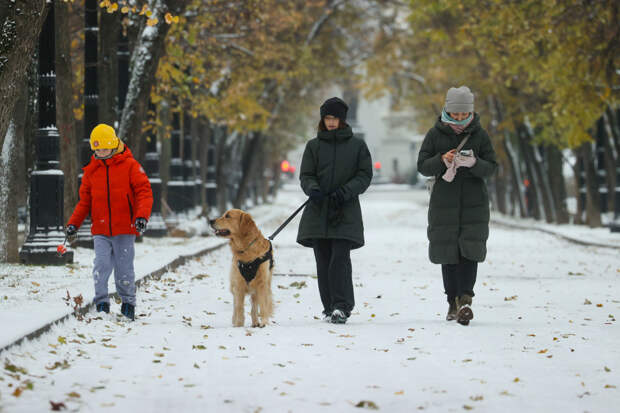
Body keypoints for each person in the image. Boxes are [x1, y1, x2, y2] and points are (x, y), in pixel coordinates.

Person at [417, 86, 498, 326]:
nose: (460, 119)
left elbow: (492, 168)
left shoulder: (480, 136)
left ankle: (466, 300)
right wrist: (441, 160)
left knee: (469, 251)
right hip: (444, 202)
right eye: (455, 114)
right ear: (447, 110)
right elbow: (422, 165)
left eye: (464, 114)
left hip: (474, 203)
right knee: (447, 252)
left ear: (470, 112)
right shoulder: (434, 135)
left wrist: (474, 163)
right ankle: (452, 301)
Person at [296, 97, 373, 324]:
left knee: (339, 259)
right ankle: (329, 307)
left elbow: (364, 175)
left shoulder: (358, 146)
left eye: (335, 118)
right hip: (318, 210)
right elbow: (306, 175)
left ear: (342, 120)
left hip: (345, 211)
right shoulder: (313, 146)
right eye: (327, 118)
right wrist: (313, 189)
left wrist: (345, 192)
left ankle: (342, 306)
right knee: (323, 259)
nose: (331, 122)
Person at [66, 124, 153, 321]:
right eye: (97, 149)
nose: (101, 153)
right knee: (101, 265)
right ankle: (102, 302)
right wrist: (74, 224)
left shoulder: (130, 166)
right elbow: (84, 202)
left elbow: (144, 192)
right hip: (101, 228)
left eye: (104, 149)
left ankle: (128, 302)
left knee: (124, 268)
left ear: (113, 145)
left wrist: (141, 217)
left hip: (125, 228)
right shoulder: (91, 171)